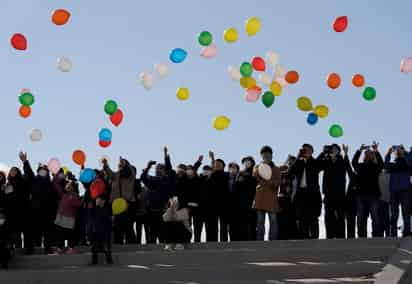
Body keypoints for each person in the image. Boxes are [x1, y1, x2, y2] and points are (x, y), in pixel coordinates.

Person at [19, 152, 58, 255]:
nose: (43, 172)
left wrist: (54, 212)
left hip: (47, 211)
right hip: (34, 209)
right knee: (31, 230)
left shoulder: (50, 185)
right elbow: (29, 173)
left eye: (44, 170)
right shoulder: (34, 180)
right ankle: (29, 249)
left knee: (47, 231)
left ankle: (47, 248)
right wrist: (25, 161)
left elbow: (55, 199)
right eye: (41, 170)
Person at [141, 147, 174, 244]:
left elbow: (169, 169)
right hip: (151, 212)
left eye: (160, 169)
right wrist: (148, 167)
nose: (158, 170)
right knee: (152, 235)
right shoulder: (153, 180)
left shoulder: (168, 181)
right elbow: (143, 178)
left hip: (164, 211)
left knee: (163, 235)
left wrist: (165, 155)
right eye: (157, 169)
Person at [289, 144, 322, 239]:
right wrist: (298, 157)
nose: (305, 151)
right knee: (301, 219)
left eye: (307, 150)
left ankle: (314, 240)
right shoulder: (299, 162)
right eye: (304, 150)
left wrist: (308, 158)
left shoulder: (314, 162)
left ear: (312, 152)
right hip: (301, 194)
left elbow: (318, 166)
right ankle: (303, 241)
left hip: (313, 195)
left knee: (313, 219)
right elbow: (291, 171)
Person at [317, 144, 349, 239]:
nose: (334, 151)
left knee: (340, 216)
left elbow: (348, 167)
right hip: (328, 193)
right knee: (329, 217)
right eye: (332, 149)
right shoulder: (326, 160)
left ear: (339, 151)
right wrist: (323, 152)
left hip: (340, 194)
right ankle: (330, 237)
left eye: (336, 149)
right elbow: (316, 166)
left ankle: (341, 237)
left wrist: (346, 153)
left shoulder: (342, 160)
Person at [352, 143, 384, 238]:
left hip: (374, 195)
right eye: (367, 154)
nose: (369, 155)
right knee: (361, 217)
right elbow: (353, 162)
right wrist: (359, 150)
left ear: (373, 156)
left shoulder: (376, 167)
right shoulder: (360, 166)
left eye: (371, 154)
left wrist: (376, 151)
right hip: (361, 195)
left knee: (375, 217)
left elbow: (381, 164)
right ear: (364, 156)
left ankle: (376, 236)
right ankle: (362, 236)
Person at [102, 157, 137, 244]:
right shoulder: (117, 175)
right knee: (117, 226)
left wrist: (125, 163)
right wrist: (105, 165)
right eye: (119, 165)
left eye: (122, 165)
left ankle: (132, 244)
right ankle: (118, 243)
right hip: (116, 204)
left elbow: (131, 170)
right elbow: (109, 173)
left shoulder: (130, 175)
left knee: (128, 226)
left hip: (127, 203)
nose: (120, 166)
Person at [253, 146, 281, 241]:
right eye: (264, 154)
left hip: (272, 198)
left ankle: (272, 241)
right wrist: (263, 166)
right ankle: (259, 241)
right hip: (260, 198)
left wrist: (270, 182)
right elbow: (255, 176)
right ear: (261, 156)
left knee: (273, 221)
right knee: (260, 222)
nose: (266, 155)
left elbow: (278, 182)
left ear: (271, 155)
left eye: (268, 153)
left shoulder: (276, 169)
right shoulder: (257, 166)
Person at [385, 146, 411, 237]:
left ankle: (407, 232)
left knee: (406, 213)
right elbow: (386, 166)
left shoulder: (407, 163)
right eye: (397, 151)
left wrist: (405, 152)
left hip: (405, 190)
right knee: (394, 214)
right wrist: (388, 153)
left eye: (400, 150)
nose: (398, 151)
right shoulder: (393, 164)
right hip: (394, 191)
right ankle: (393, 233)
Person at [1, 167, 29, 249]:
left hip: (23, 210)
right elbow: (6, 199)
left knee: (25, 231)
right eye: (11, 171)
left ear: (18, 172)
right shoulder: (8, 184)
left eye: (15, 170)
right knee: (15, 232)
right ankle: (18, 248)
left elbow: (29, 176)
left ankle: (27, 249)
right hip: (12, 212)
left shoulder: (22, 181)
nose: (13, 172)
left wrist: (25, 162)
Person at [232, 156, 257, 241]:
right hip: (241, 203)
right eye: (245, 162)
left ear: (252, 162)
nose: (246, 163)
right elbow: (236, 186)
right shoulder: (240, 173)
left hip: (253, 202)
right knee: (242, 223)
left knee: (253, 223)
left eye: (248, 161)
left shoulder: (256, 171)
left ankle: (253, 240)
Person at [53, 180, 81, 254]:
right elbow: (57, 185)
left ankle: (71, 248)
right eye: (67, 185)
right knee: (60, 233)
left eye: (69, 186)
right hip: (61, 217)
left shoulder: (74, 195)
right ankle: (59, 248)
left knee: (69, 233)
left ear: (72, 188)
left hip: (69, 218)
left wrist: (72, 199)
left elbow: (78, 204)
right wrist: (55, 177)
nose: (67, 186)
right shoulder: (63, 194)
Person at [208, 151, 230, 242]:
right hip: (213, 204)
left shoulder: (227, 175)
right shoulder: (211, 175)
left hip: (224, 203)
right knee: (212, 225)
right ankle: (212, 242)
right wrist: (212, 159)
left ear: (223, 166)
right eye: (215, 164)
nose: (217, 165)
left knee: (223, 225)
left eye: (219, 164)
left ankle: (223, 242)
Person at [278, 155, 298, 240]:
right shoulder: (281, 173)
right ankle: (282, 237)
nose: (290, 164)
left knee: (290, 220)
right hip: (281, 199)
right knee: (281, 220)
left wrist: (292, 198)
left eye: (292, 162)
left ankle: (290, 237)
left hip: (290, 200)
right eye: (289, 162)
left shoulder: (295, 175)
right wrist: (285, 162)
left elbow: (295, 188)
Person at [90, 193, 113, 265]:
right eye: (96, 199)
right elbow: (91, 219)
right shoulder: (94, 209)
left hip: (105, 232)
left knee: (106, 247)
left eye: (98, 199)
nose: (97, 201)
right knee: (94, 248)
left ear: (103, 201)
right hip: (96, 231)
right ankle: (94, 261)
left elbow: (109, 221)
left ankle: (109, 260)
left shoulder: (107, 210)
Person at [195, 165, 216, 242]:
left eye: (208, 170)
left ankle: (209, 245)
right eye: (205, 170)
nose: (206, 171)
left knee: (210, 229)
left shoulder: (213, 180)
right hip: (198, 209)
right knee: (197, 229)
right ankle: (196, 243)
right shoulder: (198, 179)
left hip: (210, 209)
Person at [343, 145, 358, 239]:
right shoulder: (353, 176)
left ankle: (359, 237)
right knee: (350, 221)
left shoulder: (366, 176)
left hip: (360, 202)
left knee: (360, 221)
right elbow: (348, 167)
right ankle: (350, 238)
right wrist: (346, 153)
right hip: (349, 203)